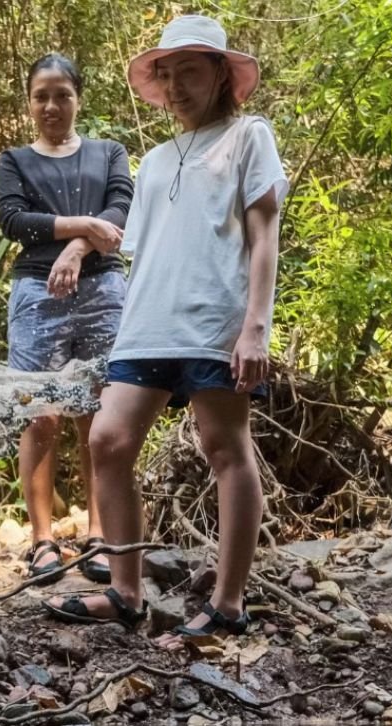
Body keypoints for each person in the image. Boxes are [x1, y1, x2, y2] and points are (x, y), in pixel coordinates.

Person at [43, 15, 287, 645]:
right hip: (148, 323)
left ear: (221, 76)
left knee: (225, 447)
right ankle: (126, 592)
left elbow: (264, 235)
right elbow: (139, 243)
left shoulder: (248, 137)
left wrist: (255, 327)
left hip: (215, 322)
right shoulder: (153, 161)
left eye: (190, 72)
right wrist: (78, 244)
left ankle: (228, 603)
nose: (176, 87)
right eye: (168, 74)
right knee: (109, 440)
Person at [0, 53, 133, 585]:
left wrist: (77, 248)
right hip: (37, 292)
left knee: (99, 414)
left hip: (104, 290)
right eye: (41, 96)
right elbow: (14, 219)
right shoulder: (14, 160)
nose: (51, 106)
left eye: (62, 95)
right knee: (41, 415)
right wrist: (84, 225)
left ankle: (100, 535)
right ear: (29, 101)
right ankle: (42, 540)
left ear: (78, 98)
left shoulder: (108, 153)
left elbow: (120, 210)